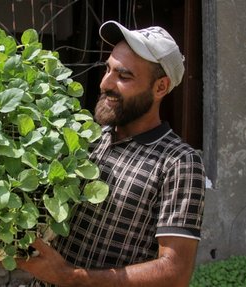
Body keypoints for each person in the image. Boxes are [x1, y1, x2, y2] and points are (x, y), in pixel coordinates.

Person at [17, 20, 206, 287]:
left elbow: (174, 273)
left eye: (124, 76)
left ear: (160, 87)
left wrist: (71, 278)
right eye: (108, 69)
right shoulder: (87, 139)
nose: (105, 83)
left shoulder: (178, 162)